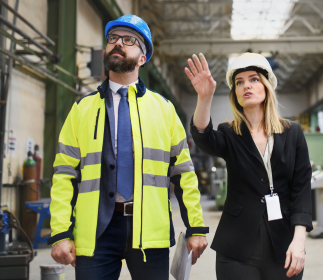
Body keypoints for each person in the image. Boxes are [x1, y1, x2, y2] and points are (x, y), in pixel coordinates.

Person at [48, 15, 208, 279]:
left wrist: (196, 228)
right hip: (95, 231)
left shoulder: (164, 110)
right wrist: (60, 233)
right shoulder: (81, 110)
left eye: (129, 40)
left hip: (150, 231)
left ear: (142, 58)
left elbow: (184, 175)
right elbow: (64, 174)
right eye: (113, 38)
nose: (118, 44)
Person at [185, 52, 312, 279]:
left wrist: (299, 241)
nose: (247, 86)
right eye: (239, 82)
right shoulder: (229, 133)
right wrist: (204, 98)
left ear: (266, 85)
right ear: (235, 93)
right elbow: (203, 138)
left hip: (283, 244)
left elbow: (301, 189)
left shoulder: (292, 133)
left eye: (253, 79)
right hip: (236, 248)